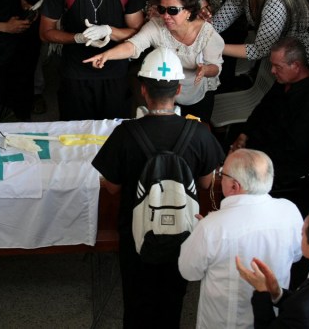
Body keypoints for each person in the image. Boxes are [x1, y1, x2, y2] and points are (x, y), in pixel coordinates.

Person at [92, 48, 225, 328]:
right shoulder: (199, 133)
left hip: (136, 233)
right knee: (172, 300)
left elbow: (112, 188)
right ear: (179, 88)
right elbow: (205, 183)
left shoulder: (124, 134)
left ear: (142, 90)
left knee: (137, 299)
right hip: (183, 234)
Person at [178, 148, 303, 329]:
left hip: (223, 322)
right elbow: (297, 255)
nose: (220, 177)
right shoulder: (290, 210)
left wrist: (203, 232)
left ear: (234, 186)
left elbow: (189, 271)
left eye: (222, 173)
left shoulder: (211, 226)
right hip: (271, 318)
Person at [40, 0, 145, 120]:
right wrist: (77, 38)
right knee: (75, 131)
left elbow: (138, 32)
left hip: (115, 71)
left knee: (113, 132)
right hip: (75, 71)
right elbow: (45, 32)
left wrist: (109, 31)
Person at [84, 0, 224, 122]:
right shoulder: (157, 26)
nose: (166, 16)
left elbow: (215, 68)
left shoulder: (207, 34)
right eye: (162, 9)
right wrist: (106, 55)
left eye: (173, 10)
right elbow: (133, 45)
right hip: (165, 93)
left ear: (188, 11)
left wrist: (204, 69)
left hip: (196, 92)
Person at [229, 38, 309, 189]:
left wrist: (251, 155)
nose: (272, 71)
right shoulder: (283, 81)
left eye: (277, 66)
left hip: (283, 163)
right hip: (260, 147)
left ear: (296, 65)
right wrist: (244, 134)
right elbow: (261, 109)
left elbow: (294, 147)